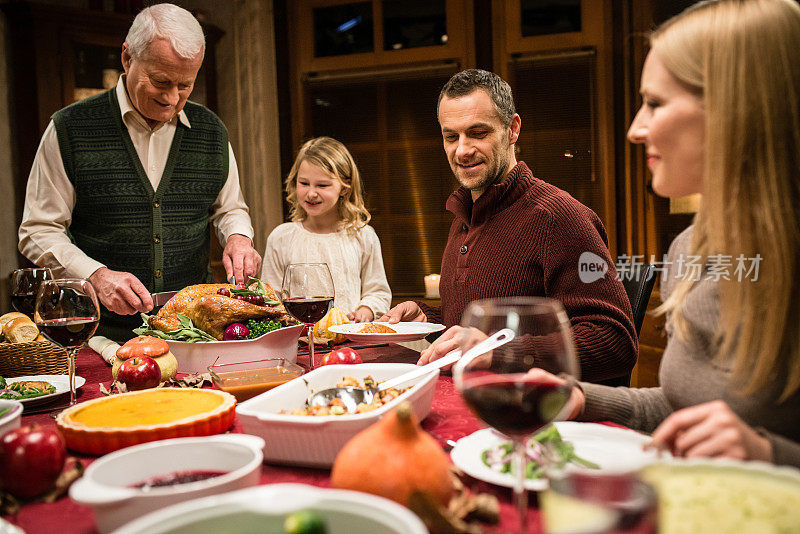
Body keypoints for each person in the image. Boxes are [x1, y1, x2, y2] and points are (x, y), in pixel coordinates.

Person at [531, 0, 800, 466]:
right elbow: (685, 412)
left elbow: (745, 440)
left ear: (739, 110)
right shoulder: (688, 250)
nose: (636, 128)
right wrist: (581, 397)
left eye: (654, 103)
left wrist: (767, 453)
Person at [18, 4, 262, 341]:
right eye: (161, 81)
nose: (172, 98)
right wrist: (96, 275)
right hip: (98, 335)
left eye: (185, 85)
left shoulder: (211, 130)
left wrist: (238, 238)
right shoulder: (70, 128)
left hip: (196, 333)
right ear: (127, 58)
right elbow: (39, 229)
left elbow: (229, 207)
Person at [380, 69, 637, 383]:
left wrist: (496, 353)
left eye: (478, 133)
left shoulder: (561, 218)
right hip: (475, 403)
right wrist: (429, 318)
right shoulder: (465, 214)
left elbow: (617, 342)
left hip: (538, 419)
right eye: (451, 136)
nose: (462, 150)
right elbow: (479, 330)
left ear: (512, 129)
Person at [261, 137, 391, 322]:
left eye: (322, 185)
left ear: (345, 187)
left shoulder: (363, 236)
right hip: (299, 344)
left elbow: (377, 291)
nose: (311, 193)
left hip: (350, 342)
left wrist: (365, 311)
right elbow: (270, 298)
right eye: (304, 183)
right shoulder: (281, 238)